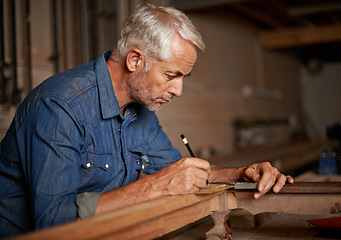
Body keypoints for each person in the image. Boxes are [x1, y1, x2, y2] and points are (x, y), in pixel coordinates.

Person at [0, 3, 294, 238]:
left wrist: (241, 174)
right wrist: (155, 187)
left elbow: (176, 172)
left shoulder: (140, 112)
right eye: (170, 75)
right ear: (135, 60)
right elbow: (52, 222)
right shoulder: (61, 106)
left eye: (183, 77)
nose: (178, 90)